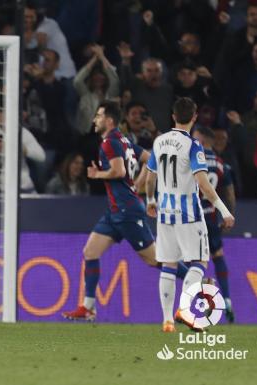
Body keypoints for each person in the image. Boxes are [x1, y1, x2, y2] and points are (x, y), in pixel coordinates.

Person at [61, 101, 181, 321]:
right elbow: (151, 159)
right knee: (90, 252)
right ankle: (88, 307)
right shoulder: (125, 140)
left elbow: (118, 171)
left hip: (127, 211)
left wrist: (99, 175)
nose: (94, 120)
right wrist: (138, 183)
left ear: (109, 120)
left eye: (98, 116)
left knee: (155, 260)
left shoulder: (109, 142)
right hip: (116, 210)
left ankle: (198, 280)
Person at [145, 97, 235, 333]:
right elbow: (204, 185)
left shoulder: (159, 142)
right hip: (189, 215)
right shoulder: (194, 146)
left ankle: (166, 320)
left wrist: (151, 201)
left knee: (169, 264)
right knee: (199, 262)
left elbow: (149, 178)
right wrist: (225, 211)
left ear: (173, 116)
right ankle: (185, 309)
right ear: (194, 117)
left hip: (165, 214)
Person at [192, 126, 236, 322]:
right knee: (217, 255)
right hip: (212, 218)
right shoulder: (220, 164)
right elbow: (230, 193)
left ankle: (204, 294)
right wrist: (229, 215)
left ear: (201, 140)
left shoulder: (193, 160)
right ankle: (226, 300)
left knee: (185, 261)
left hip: (192, 218)